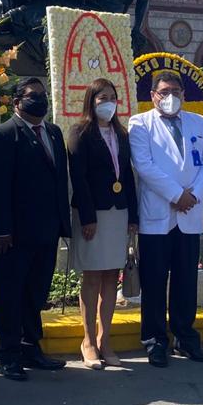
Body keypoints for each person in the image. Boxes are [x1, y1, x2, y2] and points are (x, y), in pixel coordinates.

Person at [0, 77, 71, 381]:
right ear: (17, 101)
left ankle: (31, 347)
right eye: (34, 96)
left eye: (44, 95)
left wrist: (63, 224)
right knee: (10, 294)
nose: (41, 101)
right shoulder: (4, 135)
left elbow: (59, 182)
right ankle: (8, 353)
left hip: (47, 230)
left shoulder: (54, 133)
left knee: (36, 292)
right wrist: (2, 229)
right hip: (14, 234)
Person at [128, 70, 203, 368]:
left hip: (189, 213)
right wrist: (177, 195)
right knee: (154, 282)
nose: (170, 97)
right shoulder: (140, 124)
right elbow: (144, 166)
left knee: (185, 280)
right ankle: (154, 341)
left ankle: (185, 338)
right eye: (164, 91)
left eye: (176, 91)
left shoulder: (199, 123)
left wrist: (194, 194)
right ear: (153, 95)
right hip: (159, 214)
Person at [67, 78, 139, 369]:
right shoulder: (80, 132)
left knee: (112, 276)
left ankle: (105, 338)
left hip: (118, 213)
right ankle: (88, 341)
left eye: (112, 97)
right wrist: (88, 217)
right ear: (91, 101)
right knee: (93, 276)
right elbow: (79, 178)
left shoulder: (122, 133)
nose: (108, 102)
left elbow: (129, 177)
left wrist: (133, 216)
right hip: (93, 215)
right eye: (102, 98)